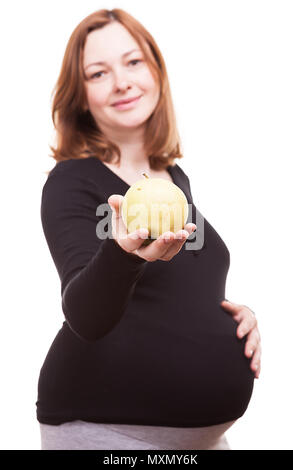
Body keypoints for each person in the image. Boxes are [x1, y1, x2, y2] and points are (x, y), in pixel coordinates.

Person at [37, 8, 262, 450]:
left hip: (203, 441)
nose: (121, 81)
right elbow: (85, 314)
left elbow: (176, 290)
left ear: (156, 69)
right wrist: (123, 254)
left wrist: (232, 316)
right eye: (98, 72)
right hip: (109, 433)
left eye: (133, 61)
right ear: (80, 96)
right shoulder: (71, 181)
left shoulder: (175, 180)